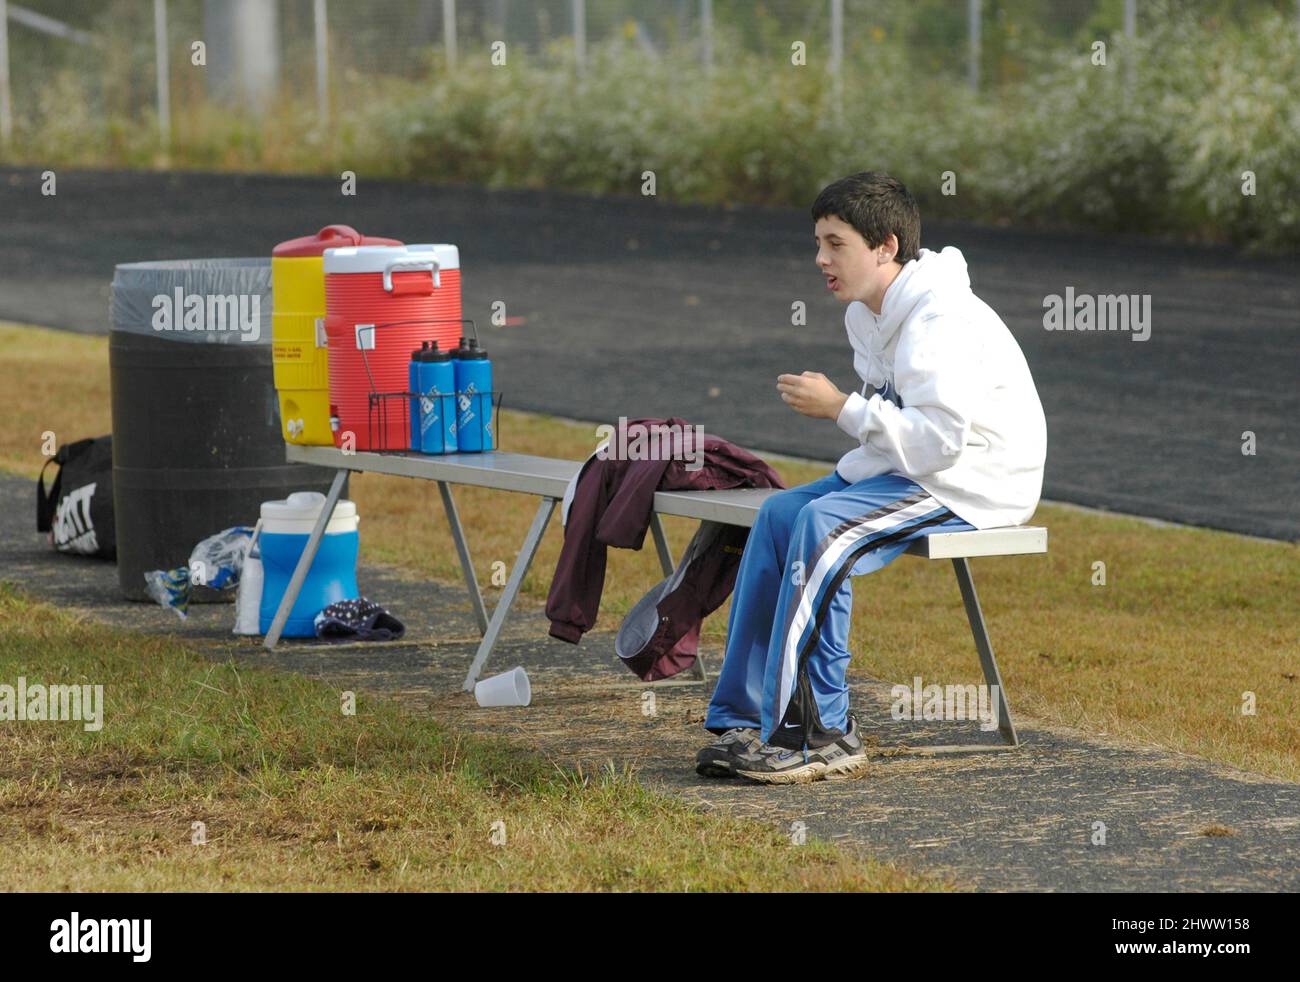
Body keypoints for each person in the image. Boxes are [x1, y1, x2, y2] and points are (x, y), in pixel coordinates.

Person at [696, 171, 1047, 784]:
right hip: (916, 470)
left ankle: (819, 732)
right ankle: (745, 719)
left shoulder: (939, 318)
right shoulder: (867, 310)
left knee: (824, 524)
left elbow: (939, 441)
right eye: (818, 242)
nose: (820, 259)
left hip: (976, 480)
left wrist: (842, 408)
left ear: (886, 247)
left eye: (836, 244)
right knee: (780, 513)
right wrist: (856, 424)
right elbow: (900, 426)